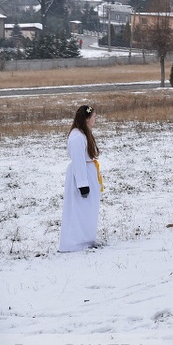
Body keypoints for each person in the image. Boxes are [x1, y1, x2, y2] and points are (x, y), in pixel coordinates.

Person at [59, 105, 103, 252]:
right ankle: (76, 242)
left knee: (88, 208)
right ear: (86, 119)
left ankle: (87, 238)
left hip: (89, 172)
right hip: (82, 175)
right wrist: (83, 185)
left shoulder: (83, 133)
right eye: (94, 117)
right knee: (80, 209)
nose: (95, 119)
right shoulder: (77, 137)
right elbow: (78, 162)